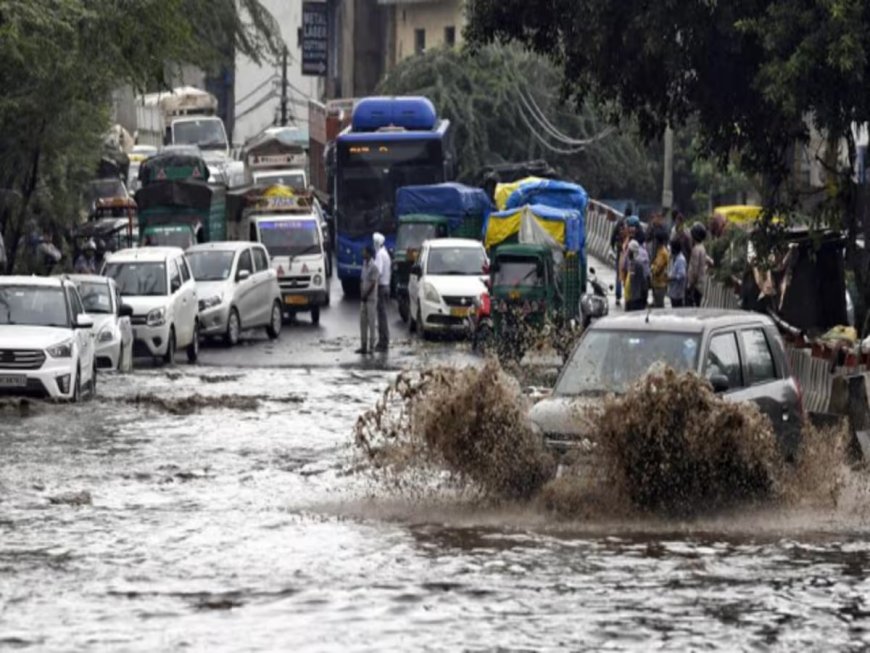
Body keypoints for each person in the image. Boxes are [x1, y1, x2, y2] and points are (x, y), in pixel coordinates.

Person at [356, 246, 379, 355]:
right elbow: (362, 280)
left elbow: (373, 283)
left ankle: (371, 347)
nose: (362, 253)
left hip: (370, 299)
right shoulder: (364, 265)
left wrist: (366, 294)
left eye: (364, 251)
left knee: (371, 323)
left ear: (369, 254)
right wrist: (361, 293)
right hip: (363, 299)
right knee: (363, 323)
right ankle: (363, 346)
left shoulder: (374, 267)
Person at [372, 232, 391, 352]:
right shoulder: (386, 253)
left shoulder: (379, 254)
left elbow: (377, 272)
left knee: (381, 317)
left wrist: (371, 284)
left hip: (381, 287)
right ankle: (385, 340)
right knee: (383, 315)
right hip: (386, 286)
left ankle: (383, 342)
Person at [686, 222, 708, 307]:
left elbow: (694, 271)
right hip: (701, 284)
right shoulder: (702, 248)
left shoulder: (695, 250)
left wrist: (690, 286)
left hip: (695, 286)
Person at [625, 240, 649, 312]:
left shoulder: (636, 265)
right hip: (631, 298)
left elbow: (641, 282)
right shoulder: (632, 263)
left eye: (629, 250)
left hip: (635, 299)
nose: (627, 252)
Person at [650, 229, 670, 308]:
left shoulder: (662, 253)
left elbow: (656, 269)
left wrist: (652, 268)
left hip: (660, 284)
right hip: (657, 284)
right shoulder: (660, 251)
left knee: (658, 307)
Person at [667, 239, 687, 307]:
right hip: (674, 291)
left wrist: (671, 278)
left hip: (677, 292)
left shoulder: (680, 260)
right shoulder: (675, 258)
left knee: (677, 308)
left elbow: (682, 275)